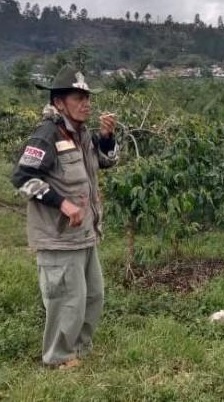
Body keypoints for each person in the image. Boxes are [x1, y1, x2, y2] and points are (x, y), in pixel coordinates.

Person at [10, 64, 119, 369]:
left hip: (84, 234)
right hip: (58, 237)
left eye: (88, 97)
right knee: (67, 300)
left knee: (93, 296)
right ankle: (58, 357)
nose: (87, 103)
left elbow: (105, 162)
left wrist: (107, 137)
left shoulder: (81, 134)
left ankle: (78, 350)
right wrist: (63, 204)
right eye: (78, 97)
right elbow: (21, 177)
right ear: (59, 102)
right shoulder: (47, 134)